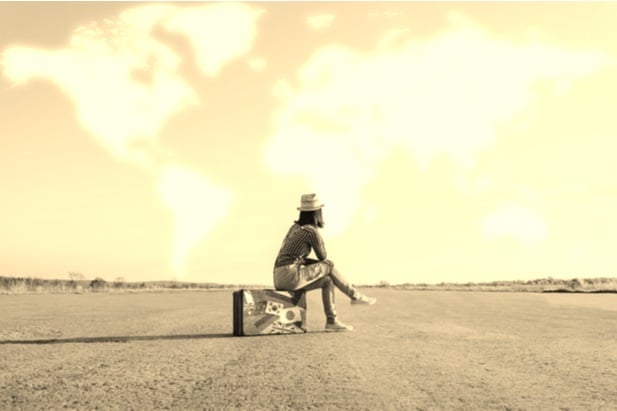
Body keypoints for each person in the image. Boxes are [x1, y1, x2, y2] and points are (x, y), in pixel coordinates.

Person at [273, 193, 376, 332]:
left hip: (279, 276)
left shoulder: (294, 228)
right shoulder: (310, 231)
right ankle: (356, 296)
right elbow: (323, 257)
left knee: (327, 281)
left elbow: (297, 258)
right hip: (290, 275)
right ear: (317, 213)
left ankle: (331, 321)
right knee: (329, 265)